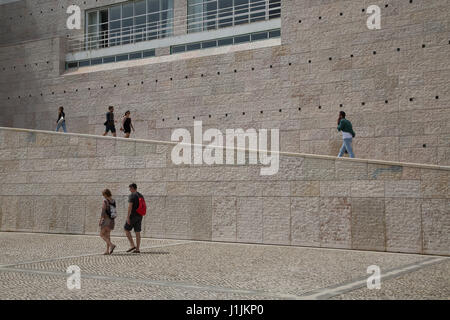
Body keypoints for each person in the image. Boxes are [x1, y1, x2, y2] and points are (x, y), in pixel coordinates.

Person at [124, 183, 143, 254]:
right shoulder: (140, 195)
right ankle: (137, 249)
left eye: (130, 188)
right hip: (140, 216)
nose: (129, 190)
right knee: (137, 232)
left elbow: (130, 207)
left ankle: (132, 245)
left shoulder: (132, 195)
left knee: (126, 229)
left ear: (132, 188)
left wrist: (128, 217)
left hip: (133, 216)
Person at [99, 189, 117, 255]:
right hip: (112, 220)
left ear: (106, 194)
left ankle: (111, 245)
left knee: (101, 234)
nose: (103, 196)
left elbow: (103, 211)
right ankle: (107, 250)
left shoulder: (105, 201)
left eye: (103, 195)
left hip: (106, 220)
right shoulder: (113, 201)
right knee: (108, 235)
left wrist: (101, 220)